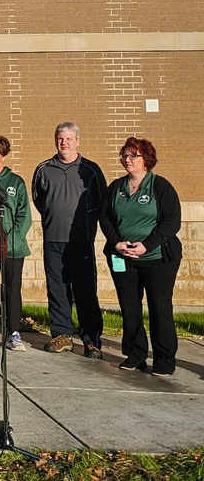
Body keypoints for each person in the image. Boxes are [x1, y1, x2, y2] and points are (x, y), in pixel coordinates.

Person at [99, 138, 181, 376]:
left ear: (147, 160)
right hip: (122, 259)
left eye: (134, 155)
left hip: (158, 259)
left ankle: (165, 360)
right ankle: (135, 354)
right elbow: (104, 217)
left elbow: (171, 222)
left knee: (159, 307)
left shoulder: (161, 187)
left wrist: (146, 245)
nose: (128, 160)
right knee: (130, 307)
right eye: (125, 155)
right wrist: (116, 242)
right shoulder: (116, 187)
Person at [32, 122, 107, 359]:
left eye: (68, 138)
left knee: (85, 290)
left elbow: (99, 202)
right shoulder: (44, 169)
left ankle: (91, 340)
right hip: (53, 239)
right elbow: (39, 200)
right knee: (57, 289)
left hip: (81, 240)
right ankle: (62, 335)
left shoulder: (90, 170)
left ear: (77, 141)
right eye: (60, 138)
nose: (63, 142)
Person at [0, 135, 32, 352]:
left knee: (12, 289)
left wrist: (9, 241)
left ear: (3, 155)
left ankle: (13, 333)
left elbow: (24, 215)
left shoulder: (16, 182)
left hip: (12, 246)